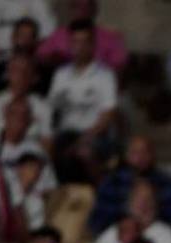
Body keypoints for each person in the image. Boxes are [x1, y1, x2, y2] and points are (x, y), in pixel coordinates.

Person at [47, 18, 118, 182]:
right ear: (70, 44)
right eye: (75, 41)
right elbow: (53, 109)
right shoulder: (60, 75)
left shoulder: (104, 75)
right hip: (65, 134)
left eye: (84, 42)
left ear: (92, 45)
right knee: (46, 150)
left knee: (84, 152)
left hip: (94, 135)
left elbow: (108, 115)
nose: (79, 46)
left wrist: (85, 137)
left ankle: (99, 193)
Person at [89, 135, 171, 235]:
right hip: (118, 237)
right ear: (126, 155)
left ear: (153, 155)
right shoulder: (113, 182)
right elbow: (98, 221)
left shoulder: (167, 183)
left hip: (157, 236)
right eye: (135, 153)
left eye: (145, 152)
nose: (140, 157)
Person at [36, 0, 126, 72]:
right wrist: (58, 59)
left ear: (94, 9)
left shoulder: (109, 37)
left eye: (87, 6)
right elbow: (41, 55)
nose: (82, 11)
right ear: (70, 9)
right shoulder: (59, 34)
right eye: (77, 6)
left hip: (97, 83)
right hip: (64, 81)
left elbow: (120, 64)